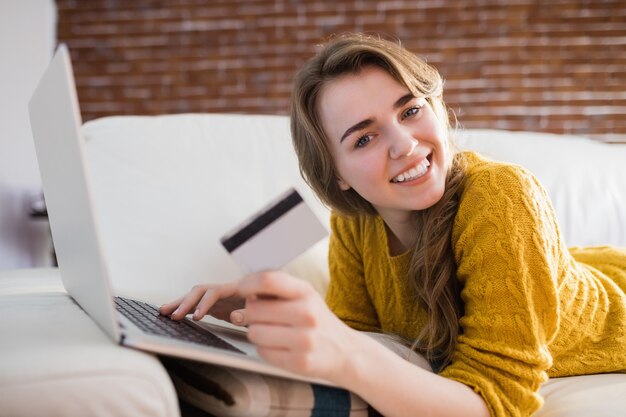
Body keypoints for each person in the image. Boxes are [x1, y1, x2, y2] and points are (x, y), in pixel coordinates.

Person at [159, 33, 626, 417]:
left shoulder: (502, 194)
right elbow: (359, 331)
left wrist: (345, 352)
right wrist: (261, 309)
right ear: (337, 174)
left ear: (438, 110)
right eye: (364, 137)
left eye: (410, 110)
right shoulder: (355, 225)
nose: (404, 145)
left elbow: (497, 400)